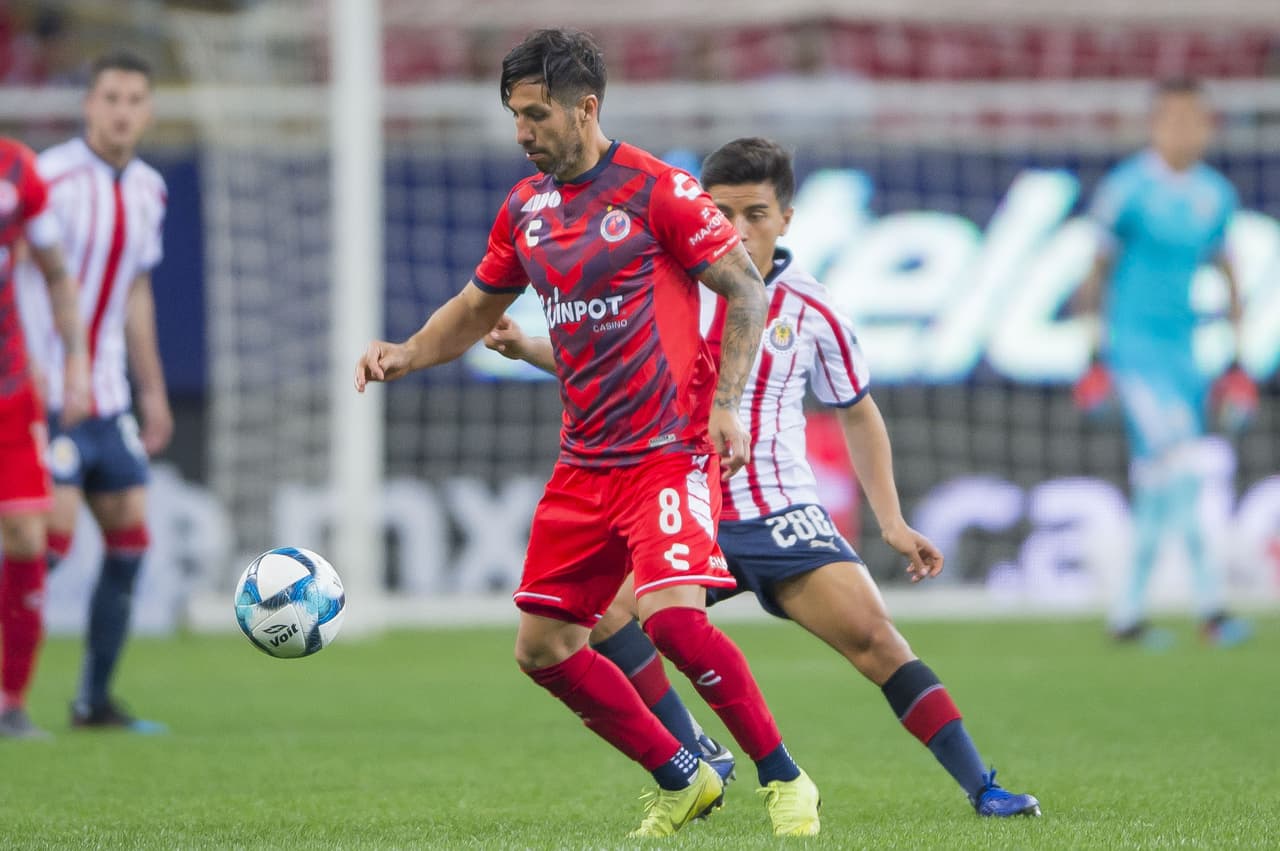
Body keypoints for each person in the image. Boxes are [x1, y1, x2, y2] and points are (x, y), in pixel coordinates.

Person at [487, 137, 1042, 817]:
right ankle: (696, 752)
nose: (739, 229)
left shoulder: (814, 306)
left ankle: (982, 785)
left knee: (875, 639)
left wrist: (892, 522)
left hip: (777, 509)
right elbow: (596, 362)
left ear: (787, 217)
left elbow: (858, 414)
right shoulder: (673, 278)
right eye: (723, 212)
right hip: (687, 497)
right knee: (601, 614)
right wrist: (528, 349)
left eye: (755, 213)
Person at [355, 30, 821, 839]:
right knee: (543, 648)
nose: (522, 132)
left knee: (675, 619)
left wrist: (728, 405)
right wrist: (405, 353)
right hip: (584, 464)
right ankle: (681, 775)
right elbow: (474, 307)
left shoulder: (658, 190)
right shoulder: (525, 208)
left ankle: (785, 779)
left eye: (536, 115)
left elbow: (745, 289)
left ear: (587, 108)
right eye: (514, 116)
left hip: (667, 453)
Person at [15, 51, 171, 731]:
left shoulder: (150, 190)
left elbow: (136, 290)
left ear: (149, 111)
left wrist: (153, 390)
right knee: (46, 535)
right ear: (88, 104)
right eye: (110, 96)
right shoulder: (48, 178)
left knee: (130, 535)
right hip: (45, 388)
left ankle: (92, 701)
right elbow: (18, 272)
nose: (122, 111)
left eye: (135, 99)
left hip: (106, 392)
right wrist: (35, 366)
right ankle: (8, 696)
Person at [1074, 77, 1253, 648]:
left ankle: (1128, 616)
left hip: (1185, 360)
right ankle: (1211, 607)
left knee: (1161, 484)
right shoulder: (1127, 189)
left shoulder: (1214, 194)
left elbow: (1228, 274)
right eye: (1173, 119)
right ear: (1155, 124)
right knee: (1183, 467)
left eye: (1194, 120)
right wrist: (1094, 357)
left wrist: (1238, 363)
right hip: (1134, 352)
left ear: (1207, 126)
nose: (1184, 130)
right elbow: (1095, 274)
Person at [0, 136, 90, 738]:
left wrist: (76, 361)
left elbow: (56, 273)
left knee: (30, 535)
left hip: (9, 384)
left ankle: (10, 702)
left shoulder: (16, 167)